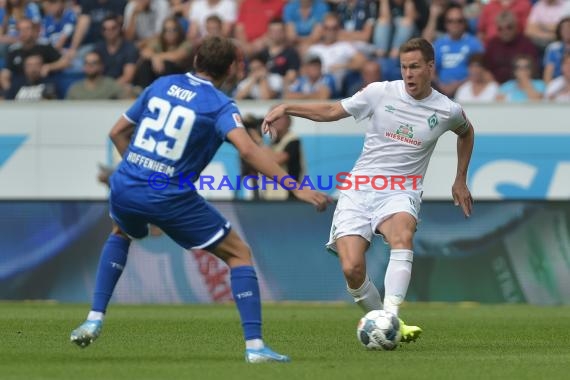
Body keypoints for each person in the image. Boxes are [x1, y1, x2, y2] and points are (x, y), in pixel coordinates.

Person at [69, 36, 330, 363]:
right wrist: (296, 187)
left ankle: (94, 318)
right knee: (239, 254)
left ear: (196, 61)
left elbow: (117, 132)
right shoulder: (219, 105)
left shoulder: (161, 84)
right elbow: (248, 150)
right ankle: (255, 347)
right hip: (168, 195)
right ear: (232, 69)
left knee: (120, 232)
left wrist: (142, 174)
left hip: (126, 184)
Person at [262, 37, 475, 343]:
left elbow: (466, 133)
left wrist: (460, 179)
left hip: (401, 189)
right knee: (352, 268)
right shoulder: (380, 92)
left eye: (415, 67)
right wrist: (287, 107)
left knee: (402, 235)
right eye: (404, 67)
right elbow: (331, 111)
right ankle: (392, 327)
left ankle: (390, 316)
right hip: (361, 188)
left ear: (431, 66)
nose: (409, 74)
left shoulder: (447, 110)